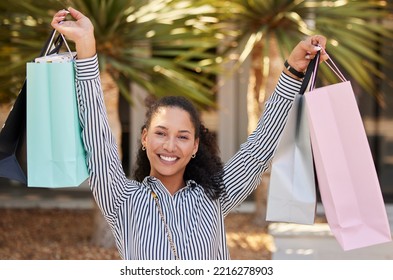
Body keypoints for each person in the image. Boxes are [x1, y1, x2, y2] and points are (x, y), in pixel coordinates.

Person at [52, 7, 327, 260]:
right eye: (161, 133)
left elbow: (260, 147)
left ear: (195, 146)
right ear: (144, 138)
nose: (170, 145)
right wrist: (86, 51)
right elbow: (97, 138)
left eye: (183, 136)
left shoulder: (214, 197)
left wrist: (292, 71)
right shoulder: (121, 198)